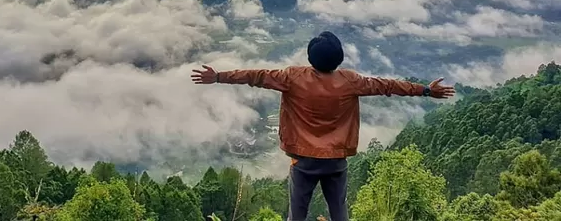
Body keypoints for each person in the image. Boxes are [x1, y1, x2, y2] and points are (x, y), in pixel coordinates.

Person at [191, 31, 455, 221]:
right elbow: (387, 85)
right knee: (339, 212)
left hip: (302, 161)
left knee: (297, 214)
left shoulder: (292, 77)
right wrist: (425, 91)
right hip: (336, 160)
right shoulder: (351, 81)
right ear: (338, 59)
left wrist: (218, 77)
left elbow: (256, 76)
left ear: (310, 57)